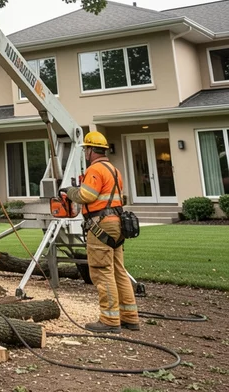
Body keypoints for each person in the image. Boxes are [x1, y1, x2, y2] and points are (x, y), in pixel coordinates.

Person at [62, 131, 140, 333]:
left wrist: (69, 191)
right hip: (117, 224)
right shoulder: (114, 170)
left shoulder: (95, 169)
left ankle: (109, 320)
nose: (85, 153)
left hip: (100, 225)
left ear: (90, 150)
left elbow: (87, 195)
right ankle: (130, 317)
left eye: (86, 149)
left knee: (102, 272)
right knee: (118, 270)